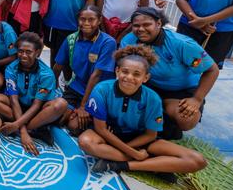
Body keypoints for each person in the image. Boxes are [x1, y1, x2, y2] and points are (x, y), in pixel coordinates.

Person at [79, 46, 207, 175]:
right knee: (86, 141)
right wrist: (133, 153)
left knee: (197, 160)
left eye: (136, 74)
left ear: (146, 78)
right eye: (125, 71)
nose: (129, 77)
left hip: (140, 139)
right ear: (117, 71)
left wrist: (130, 148)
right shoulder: (101, 89)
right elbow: (101, 129)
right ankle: (153, 164)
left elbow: (151, 135)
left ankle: (120, 164)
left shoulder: (153, 99)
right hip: (109, 134)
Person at [121, 7, 220, 139]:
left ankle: (165, 117)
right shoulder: (128, 41)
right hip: (147, 86)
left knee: (186, 119)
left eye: (147, 24)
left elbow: (212, 70)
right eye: (136, 25)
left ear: (159, 23)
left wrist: (196, 99)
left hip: (180, 91)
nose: (141, 29)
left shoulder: (182, 44)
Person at [0, 32, 68, 153]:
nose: (23, 55)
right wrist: (23, 131)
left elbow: (37, 105)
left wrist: (17, 126)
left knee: (60, 104)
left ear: (37, 53)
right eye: (20, 51)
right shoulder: (11, 68)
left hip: (38, 110)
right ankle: (35, 129)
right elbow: (13, 100)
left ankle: (21, 127)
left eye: (28, 52)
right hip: (17, 106)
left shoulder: (46, 74)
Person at [53, 6, 116, 135]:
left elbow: (96, 75)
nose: (86, 23)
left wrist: (83, 106)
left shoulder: (108, 42)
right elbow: (57, 66)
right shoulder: (71, 39)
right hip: (76, 87)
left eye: (91, 19)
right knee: (57, 117)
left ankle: (86, 115)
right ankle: (72, 111)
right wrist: (52, 89)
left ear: (99, 21)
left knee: (74, 126)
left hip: (96, 92)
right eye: (82, 19)